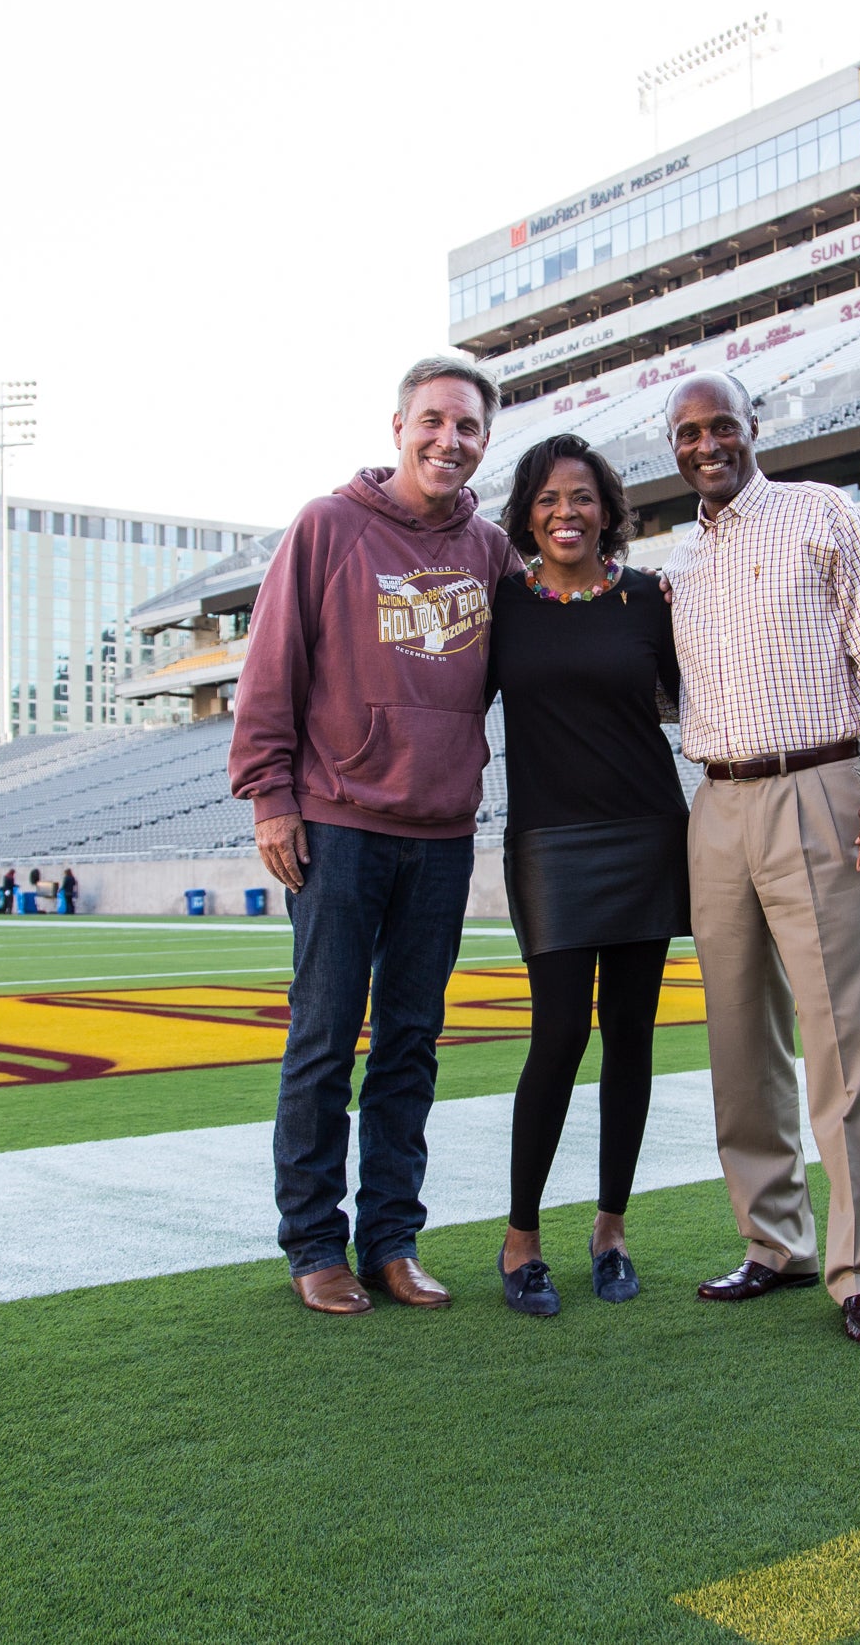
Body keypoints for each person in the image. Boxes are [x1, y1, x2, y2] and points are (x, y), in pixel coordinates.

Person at [230, 356, 521, 1316]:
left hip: (441, 834)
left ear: (485, 440)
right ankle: (315, 1244)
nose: (449, 440)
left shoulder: (488, 548)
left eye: (468, 427)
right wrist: (271, 796)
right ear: (398, 424)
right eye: (433, 421)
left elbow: (549, 640)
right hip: (338, 826)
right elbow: (271, 670)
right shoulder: (327, 526)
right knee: (321, 1039)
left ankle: (391, 1239)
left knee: (411, 1043)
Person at [659, 372, 860, 1346]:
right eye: (687, 432)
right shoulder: (677, 563)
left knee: (845, 1034)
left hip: (820, 784)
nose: (705, 444)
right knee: (738, 1039)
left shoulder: (820, 513)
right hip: (717, 803)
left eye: (720, 425)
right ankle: (771, 1238)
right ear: (672, 445)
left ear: (752, 428)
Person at [486, 434, 688, 1318]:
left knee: (632, 1039)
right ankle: (519, 1238)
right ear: (527, 516)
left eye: (581, 497)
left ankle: (611, 1229)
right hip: (549, 843)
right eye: (546, 500)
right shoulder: (501, 605)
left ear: (608, 507)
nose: (565, 513)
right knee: (560, 1035)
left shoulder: (651, 598)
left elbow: (695, 698)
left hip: (646, 832)